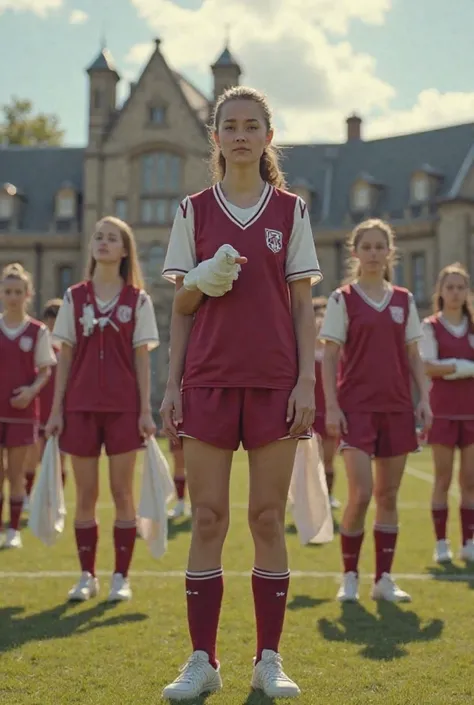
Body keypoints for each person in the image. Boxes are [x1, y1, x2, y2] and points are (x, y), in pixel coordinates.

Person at [160, 85, 321, 700]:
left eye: (253, 125)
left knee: (264, 518)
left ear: (268, 137)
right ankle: (202, 660)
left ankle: (269, 659)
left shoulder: (292, 211)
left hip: (276, 381)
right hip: (206, 378)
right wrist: (173, 384)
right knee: (206, 517)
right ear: (216, 137)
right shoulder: (192, 210)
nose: (242, 135)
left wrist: (305, 379)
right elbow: (179, 308)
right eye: (231, 125)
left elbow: (304, 308)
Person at [46, 216, 159, 602]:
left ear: (125, 250)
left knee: (122, 492)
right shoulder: (74, 297)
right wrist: (56, 409)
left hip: (124, 408)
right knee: (86, 494)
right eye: (98, 237)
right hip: (79, 407)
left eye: (112, 238)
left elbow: (143, 359)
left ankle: (120, 578)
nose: (103, 243)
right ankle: (86, 575)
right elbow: (65, 356)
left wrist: (146, 410)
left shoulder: (138, 300)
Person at [320, 218, 432, 603]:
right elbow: (330, 355)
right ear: (354, 253)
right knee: (362, 494)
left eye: (378, 246)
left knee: (389, 496)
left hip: (397, 407)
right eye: (365, 246)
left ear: (389, 252)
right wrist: (331, 406)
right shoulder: (342, 298)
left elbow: (414, 355)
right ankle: (349, 575)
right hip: (356, 409)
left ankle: (383, 579)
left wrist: (425, 400)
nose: (372, 253)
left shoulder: (405, 299)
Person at [420, 263, 474, 564]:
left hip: (471, 413)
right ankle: (441, 543)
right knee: (442, 478)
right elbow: (428, 366)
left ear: (467, 292)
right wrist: (462, 367)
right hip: (442, 412)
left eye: (460, 287)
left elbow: (440, 367)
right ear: (440, 291)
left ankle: (469, 540)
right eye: (449, 287)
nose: (455, 293)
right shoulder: (431, 326)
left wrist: (449, 368)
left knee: (470, 480)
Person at [0, 263, 56, 548]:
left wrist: (31, 391)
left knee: (16, 473)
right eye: (8, 291)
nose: (12, 296)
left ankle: (13, 530)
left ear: (28, 294)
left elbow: (46, 370)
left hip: (22, 414)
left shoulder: (38, 331)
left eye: (18, 292)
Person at [23, 299, 66, 512]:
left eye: (56, 320)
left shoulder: (68, 350)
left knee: (60, 460)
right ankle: (27, 497)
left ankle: (57, 501)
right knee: (32, 457)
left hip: (61, 412)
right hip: (39, 410)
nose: (52, 325)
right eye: (50, 320)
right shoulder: (39, 346)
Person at [312, 296, 340, 510]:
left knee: (329, 459)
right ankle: (305, 499)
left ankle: (328, 496)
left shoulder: (334, 355)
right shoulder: (302, 353)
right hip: (308, 413)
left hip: (328, 411)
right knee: (307, 460)